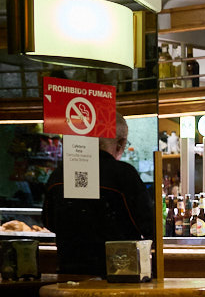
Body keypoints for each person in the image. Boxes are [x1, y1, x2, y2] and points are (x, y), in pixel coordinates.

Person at [43, 112, 154, 276]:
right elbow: (148, 225)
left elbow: (48, 221)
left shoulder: (60, 174)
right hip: (118, 276)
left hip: (70, 276)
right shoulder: (123, 175)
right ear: (121, 143)